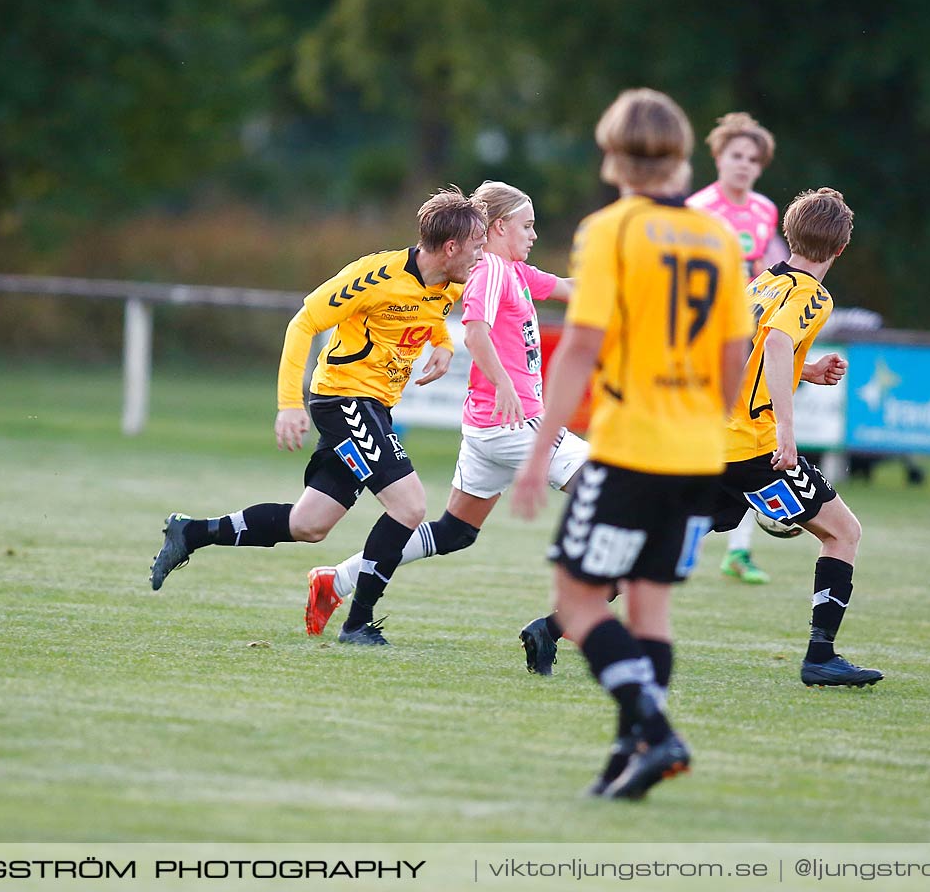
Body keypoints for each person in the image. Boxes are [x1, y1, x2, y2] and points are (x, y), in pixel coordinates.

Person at [514, 88, 752, 800]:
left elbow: (581, 347)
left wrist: (538, 450)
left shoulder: (610, 230)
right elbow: (735, 355)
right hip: (697, 453)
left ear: (612, 153)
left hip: (630, 447)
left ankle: (655, 729)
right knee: (650, 607)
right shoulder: (719, 238)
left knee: (579, 602)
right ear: (681, 156)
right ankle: (629, 760)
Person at [147, 188, 488, 645]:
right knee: (410, 506)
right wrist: (288, 402)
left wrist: (443, 347)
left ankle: (192, 533)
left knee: (310, 524)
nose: (481, 253)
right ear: (451, 248)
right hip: (344, 400)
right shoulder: (375, 274)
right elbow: (303, 322)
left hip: (374, 408)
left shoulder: (450, 283)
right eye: (478, 244)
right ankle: (358, 623)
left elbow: (430, 315)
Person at [304, 180, 591, 643]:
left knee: (454, 532)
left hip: (487, 432)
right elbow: (474, 333)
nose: (534, 234)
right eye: (527, 225)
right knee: (607, 491)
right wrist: (505, 387)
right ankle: (572, 612)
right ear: (499, 227)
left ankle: (335, 580)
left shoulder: (513, 270)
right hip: (513, 424)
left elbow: (567, 287)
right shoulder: (491, 271)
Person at [714, 188, 880, 688]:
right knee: (843, 532)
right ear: (841, 249)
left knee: (669, 541)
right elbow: (778, 341)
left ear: (787, 234)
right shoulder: (812, 294)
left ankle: (552, 627)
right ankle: (821, 656)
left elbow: (751, 349)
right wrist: (787, 430)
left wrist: (805, 370)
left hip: (717, 442)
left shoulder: (761, 282)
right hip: (755, 447)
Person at [687, 111, 786, 585]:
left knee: (751, 436)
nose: (743, 165)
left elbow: (771, 271)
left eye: (752, 158)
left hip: (751, 340)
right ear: (718, 158)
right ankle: (679, 527)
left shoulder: (766, 211)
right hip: (706, 340)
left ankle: (738, 549)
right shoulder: (698, 209)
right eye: (735, 155)